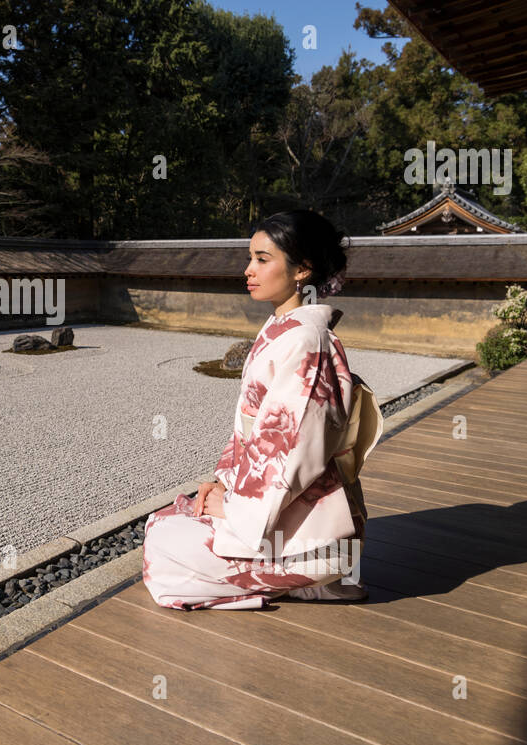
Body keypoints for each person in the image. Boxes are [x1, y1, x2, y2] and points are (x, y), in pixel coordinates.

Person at [141, 209, 369, 611]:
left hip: (307, 529)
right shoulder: (282, 331)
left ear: (303, 270)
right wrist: (222, 483)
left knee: (165, 551)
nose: (248, 270)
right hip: (269, 510)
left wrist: (232, 508)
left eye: (263, 260)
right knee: (164, 524)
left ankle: (315, 577)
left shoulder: (307, 342)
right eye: (250, 258)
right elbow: (249, 437)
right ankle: (295, 579)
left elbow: (293, 454)